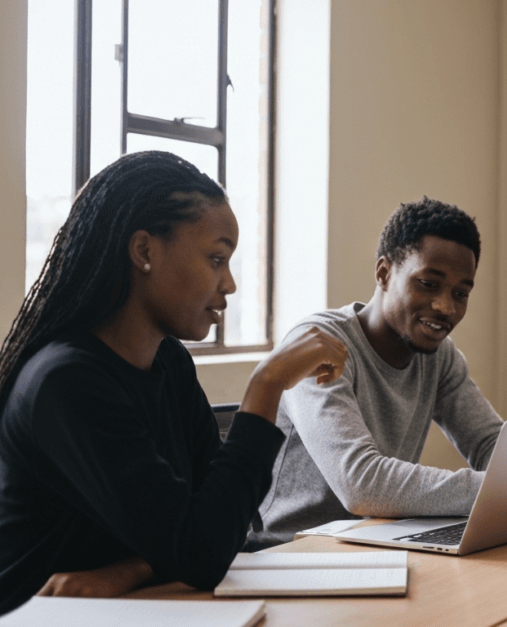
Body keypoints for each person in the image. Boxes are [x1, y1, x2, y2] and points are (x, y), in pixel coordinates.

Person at [0, 151, 348, 615]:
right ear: (145, 251)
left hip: (136, 608)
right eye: (216, 258)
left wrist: (131, 570)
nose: (229, 284)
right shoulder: (66, 382)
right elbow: (204, 550)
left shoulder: (170, 363)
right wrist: (266, 385)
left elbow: (222, 525)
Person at [248, 197, 504, 547]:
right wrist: (505, 488)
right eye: (428, 284)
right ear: (384, 272)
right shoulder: (319, 346)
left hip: (374, 543)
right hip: (288, 552)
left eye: (461, 293)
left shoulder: (439, 357)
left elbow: (492, 444)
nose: (446, 307)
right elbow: (360, 484)